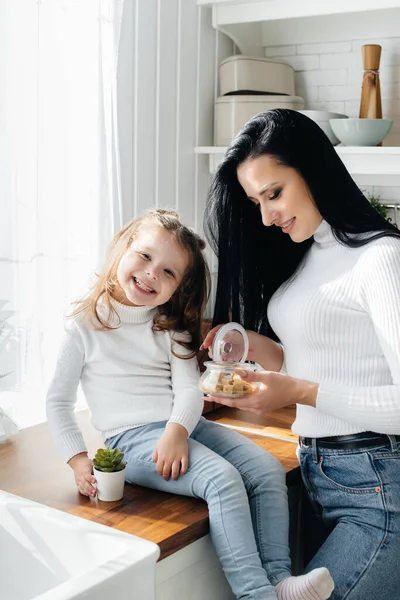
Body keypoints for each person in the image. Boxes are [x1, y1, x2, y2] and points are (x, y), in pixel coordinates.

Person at [46, 208, 333, 600]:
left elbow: (188, 391)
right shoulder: (83, 325)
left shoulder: (169, 325)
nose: (151, 274)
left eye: (168, 272)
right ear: (124, 247)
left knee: (267, 469)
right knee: (222, 480)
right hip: (129, 440)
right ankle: (256, 595)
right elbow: (58, 403)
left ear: (178, 286)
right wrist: (79, 460)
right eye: (146, 257)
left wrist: (176, 431)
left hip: (182, 426)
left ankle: (279, 581)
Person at [202, 108, 400, 600]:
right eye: (256, 202)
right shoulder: (310, 254)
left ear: (313, 170)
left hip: (378, 486)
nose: (267, 216)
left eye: (274, 193)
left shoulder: (381, 258)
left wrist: (297, 392)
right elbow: (312, 360)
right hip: (319, 475)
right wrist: (249, 347)